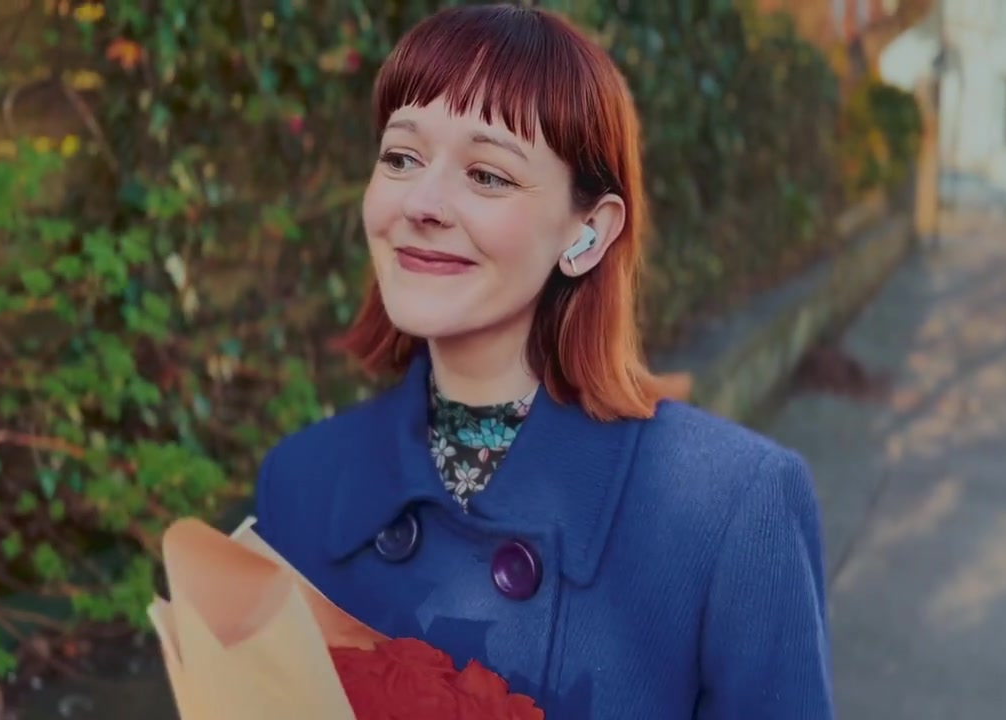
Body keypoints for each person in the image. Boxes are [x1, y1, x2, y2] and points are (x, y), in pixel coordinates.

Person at [253, 5, 833, 718]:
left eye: (487, 174)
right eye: (401, 158)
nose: (422, 203)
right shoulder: (300, 483)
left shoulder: (732, 509)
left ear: (587, 232)